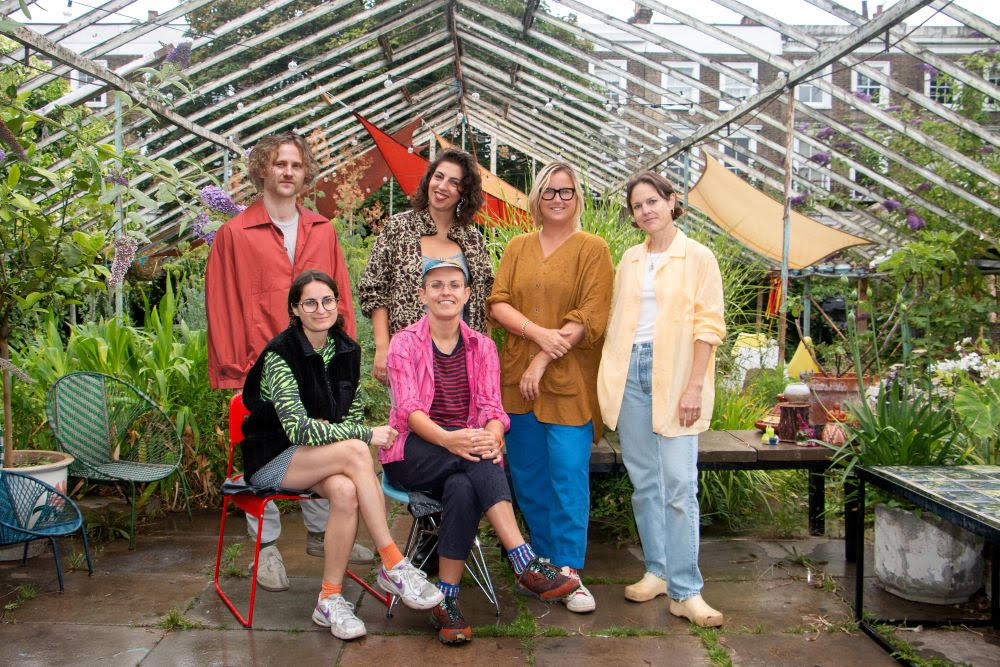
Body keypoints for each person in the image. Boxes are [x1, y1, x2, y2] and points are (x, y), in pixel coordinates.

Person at [205, 131, 371, 594]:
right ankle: (266, 547)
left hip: (316, 363)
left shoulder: (322, 230)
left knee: (322, 435)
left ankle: (322, 533)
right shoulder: (234, 234)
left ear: (305, 173)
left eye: (296, 165)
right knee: (263, 448)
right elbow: (221, 303)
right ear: (262, 168)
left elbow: (340, 296)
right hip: (259, 367)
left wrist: (344, 358)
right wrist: (234, 371)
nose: (288, 172)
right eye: (279, 163)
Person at [240, 269, 444, 640]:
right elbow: (298, 429)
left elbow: (348, 414)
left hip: (320, 455)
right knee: (356, 450)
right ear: (295, 309)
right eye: (310, 303)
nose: (320, 309)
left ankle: (329, 599)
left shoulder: (346, 349)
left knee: (346, 491)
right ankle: (393, 562)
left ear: (337, 304)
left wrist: (337, 430)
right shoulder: (280, 355)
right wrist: (363, 434)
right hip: (273, 458)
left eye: (327, 301)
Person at [383, 259, 579, 644]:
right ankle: (523, 558)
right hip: (413, 452)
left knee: (464, 484)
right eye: (436, 285)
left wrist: (491, 433)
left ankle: (446, 600)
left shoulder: (483, 346)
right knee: (478, 456)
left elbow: (493, 409)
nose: (446, 291)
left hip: (465, 453)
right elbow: (409, 411)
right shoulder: (404, 343)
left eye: (454, 284)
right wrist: (452, 440)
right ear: (422, 295)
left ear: (467, 294)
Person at [597, 171, 726, 628]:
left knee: (679, 485)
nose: (646, 210)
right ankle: (657, 571)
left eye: (653, 201)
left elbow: (709, 325)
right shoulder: (631, 259)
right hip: (631, 372)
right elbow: (618, 319)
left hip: (674, 374)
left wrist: (693, 386)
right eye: (637, 206)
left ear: (672, 202)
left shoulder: (698, 257)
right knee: (646, 481)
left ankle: (686, 591)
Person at [486, 162, 613, 614]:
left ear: (578, 197)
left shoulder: (593, 249)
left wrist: (542, 356)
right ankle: (543, 569)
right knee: (529, 479)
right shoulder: (518, 247)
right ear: (537, 198)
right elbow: (497, 302)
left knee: (568, 475)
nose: (557, 199)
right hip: (517, 382)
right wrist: (537, 334)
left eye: (566, 192)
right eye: (549, 192)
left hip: (568, 382)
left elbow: (590, 315)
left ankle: (570, 571)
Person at [358, 148, 493, 386]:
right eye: (438, 177)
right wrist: (383, 347)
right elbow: (374, 290)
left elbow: (485, 299)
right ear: (429, 179)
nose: (442, 186)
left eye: (454, 182)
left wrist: (484, 355)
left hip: (462, 361)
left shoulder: (473, 239)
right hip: (408, 357)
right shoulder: (399, 228)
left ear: (465, 192)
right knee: (410, 410)